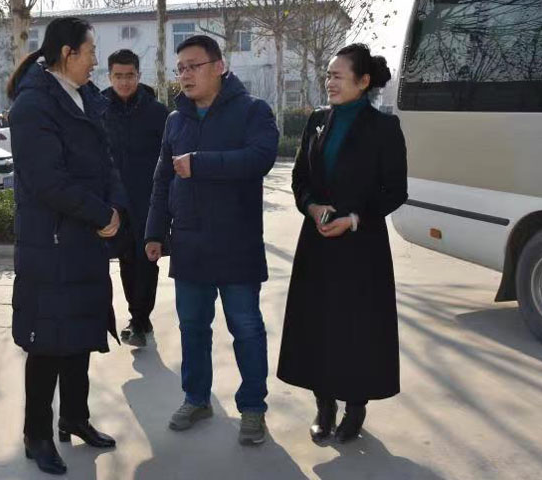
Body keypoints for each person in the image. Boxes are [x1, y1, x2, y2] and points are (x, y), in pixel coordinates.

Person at [145, 35, 278, 445]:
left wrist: (200, 164)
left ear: (219, 67)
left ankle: (252, 408)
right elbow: (162, 179)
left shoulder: (252, 111)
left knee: (246, 328)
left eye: (194, 66)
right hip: (189, 242)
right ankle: (196, 398)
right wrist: (154, 231)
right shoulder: (176, 120)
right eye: (180, 68)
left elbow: (260, 158)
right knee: (192, 328)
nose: (185, 75)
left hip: (236, 241)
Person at [7, 17, 126, 475]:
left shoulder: (85, 97)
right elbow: (47, 180)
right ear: (67, 53)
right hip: (52, 243)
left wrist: (115, 208)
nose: (96, 60)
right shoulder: (33, 105)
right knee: (47, 343)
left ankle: (75, 418)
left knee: (79, 335)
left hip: (85, 239)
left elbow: (106, 161)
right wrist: (101, 214)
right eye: (90, 51)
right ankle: (36, 434)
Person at [277, 43, 408, 444]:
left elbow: (395, 190)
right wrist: (312, 207)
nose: (329, 82)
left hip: (361, 246)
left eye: (337, 75)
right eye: (328, 75)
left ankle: (355, 407)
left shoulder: (384, 128)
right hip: (317, 242)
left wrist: (353, 218)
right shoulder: (318, 121)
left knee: (357, 327)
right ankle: (324, 406)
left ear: (363, 81)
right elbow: (300, 178)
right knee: (317, 323)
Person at [103, 49, 169, 348]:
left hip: (149, 201)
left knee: (147, 260)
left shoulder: (157, 113)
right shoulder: (99, 110)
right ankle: (138, 317)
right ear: (109, 76)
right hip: (115, 203)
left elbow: (167, 158)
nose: (124, 82)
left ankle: (140, 319)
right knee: (126, 260)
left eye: (130, 75)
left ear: (139, 76)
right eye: (118, 76)